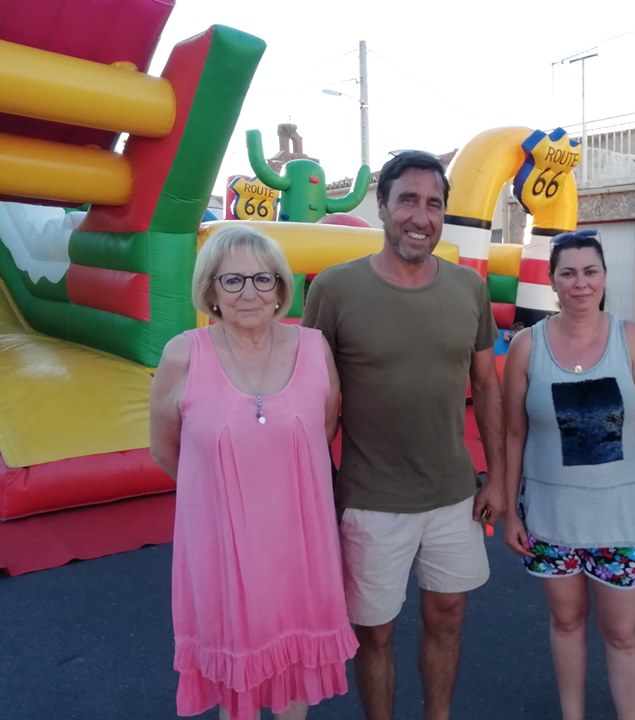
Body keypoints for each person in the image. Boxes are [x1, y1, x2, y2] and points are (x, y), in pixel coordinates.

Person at [301, 150, 505, 720]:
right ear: (383, 207)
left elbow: (487, 387)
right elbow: (313, 397)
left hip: (453, 497)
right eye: (408, 201)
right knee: (375, 635)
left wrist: (499, 479)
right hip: (370, 501)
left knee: (448, 618)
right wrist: (317, 491)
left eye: (434, 204)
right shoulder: (335, 290)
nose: (421, 216)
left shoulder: (469, 288)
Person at [150, 225, 357, 720]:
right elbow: (166, 450)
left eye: (264, 280)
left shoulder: (314, 349)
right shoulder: (183, 354)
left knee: (292, 679)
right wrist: (222, 494)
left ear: (282, 288)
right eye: (233, 280)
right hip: (222, 549)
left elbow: (321, 430)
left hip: (300, 548)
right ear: (211, 290)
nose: (250, 293)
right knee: (237, 690)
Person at [501, 229, 635, 720]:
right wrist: (511, 510)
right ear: (553, 281)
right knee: (567, 622)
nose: (580, 283)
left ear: (604, 277)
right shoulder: (526, 346)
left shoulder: (631, 339)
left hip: (620, 518)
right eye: (568, 273)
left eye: (590, 272)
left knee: (622, 635)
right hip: (551, 519)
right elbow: (513, 433)